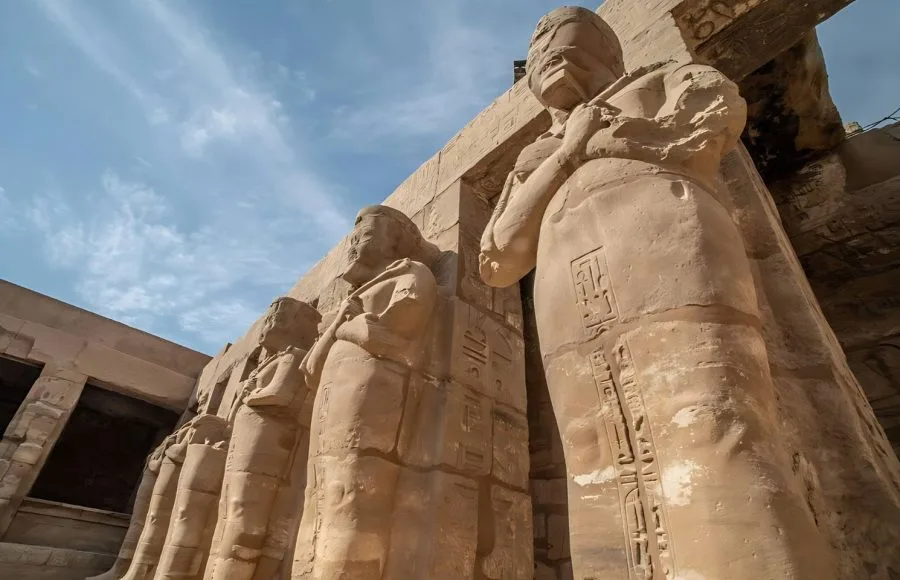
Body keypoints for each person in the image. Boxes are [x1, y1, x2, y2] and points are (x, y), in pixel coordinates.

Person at [479, 7, 833, 579]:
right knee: (595, 458)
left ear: (611, 54)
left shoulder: (659, 81)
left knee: (710, 419)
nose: (546, 53)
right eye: (539, 51)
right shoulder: (534, 154)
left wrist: (603, 134)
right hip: (568, 288)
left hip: (665, 247)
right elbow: (498, 255)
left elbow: (702, 129)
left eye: (564, 46)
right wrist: (568, 152)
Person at [292, 205, 438, 580]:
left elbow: (390, 335)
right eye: (353, 238)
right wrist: (342, 321)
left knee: (352, 498)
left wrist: (345, 325)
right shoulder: (351, 302)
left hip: (374, 398)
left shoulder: (411, 274)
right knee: (317, 502)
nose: (355, 243)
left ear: (397, 238)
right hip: (330, 403)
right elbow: (310, 369)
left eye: (366, 234)